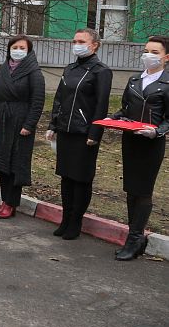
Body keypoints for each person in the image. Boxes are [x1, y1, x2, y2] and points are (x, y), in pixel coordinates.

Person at [46, 28, 112, 240]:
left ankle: (76, 221)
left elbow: (102, 104)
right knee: (66, 177)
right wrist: (53, 125)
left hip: (85, 134)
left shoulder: (101, 71)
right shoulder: (70, 68)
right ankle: (65, 219)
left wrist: (95, 132)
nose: (77, 44)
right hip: (65, 130)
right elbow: (59, 98)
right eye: (74, 40)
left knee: (81, 179)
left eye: (81, 41)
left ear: (94, 45)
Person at [108, 35, 169, 260]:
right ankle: (135, 236)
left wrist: (157, 131)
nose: (149, 56)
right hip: (131, 140)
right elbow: (125, 109)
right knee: (131, 189)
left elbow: (168, 119)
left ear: (166, 57)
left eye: (155, 52)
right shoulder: (134, 80)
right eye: (146, 51)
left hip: (151, 144)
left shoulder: (167, 83)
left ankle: (134, 239)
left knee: (143, 191)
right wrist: (113, 119)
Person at [0, 35, 45, 219]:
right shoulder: (3, 68)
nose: (18, 50)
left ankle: (12, 203)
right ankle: (4, 200)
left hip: (20, 122)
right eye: (14, 46)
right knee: (2, 162)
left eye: (22, 47)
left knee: (15, 164)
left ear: (29, 50)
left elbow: (38, 101)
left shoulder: (34, 72)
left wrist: (29, 124)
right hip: (2, 120)